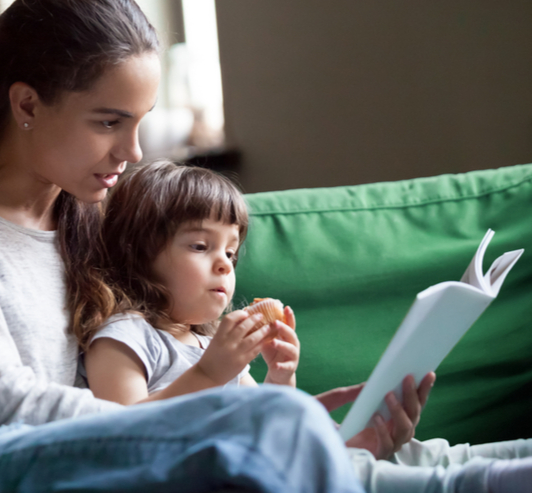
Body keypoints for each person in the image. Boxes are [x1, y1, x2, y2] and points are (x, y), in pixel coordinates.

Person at [0, 0, 366, 492]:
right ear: (28, 105)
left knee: (302, 438)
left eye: (140, 122)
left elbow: (165, 361)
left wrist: (272, 409)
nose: (133, 152)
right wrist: (215, 416)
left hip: (86, 454)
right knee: (271, 434)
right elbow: (0, 402)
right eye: (108, 123)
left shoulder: (93, 217)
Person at [80, 159, 532, 493]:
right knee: (367, 476)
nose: (223, 264)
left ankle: (503, 462)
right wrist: (207, 376)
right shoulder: (125, 337)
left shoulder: (209, 344)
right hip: (229, 478)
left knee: (419, 452)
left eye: (232, 253)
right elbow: (116, 437)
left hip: (270, 463)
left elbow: (269, 423)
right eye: (201, 245)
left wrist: (281, 379)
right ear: (138, 253)